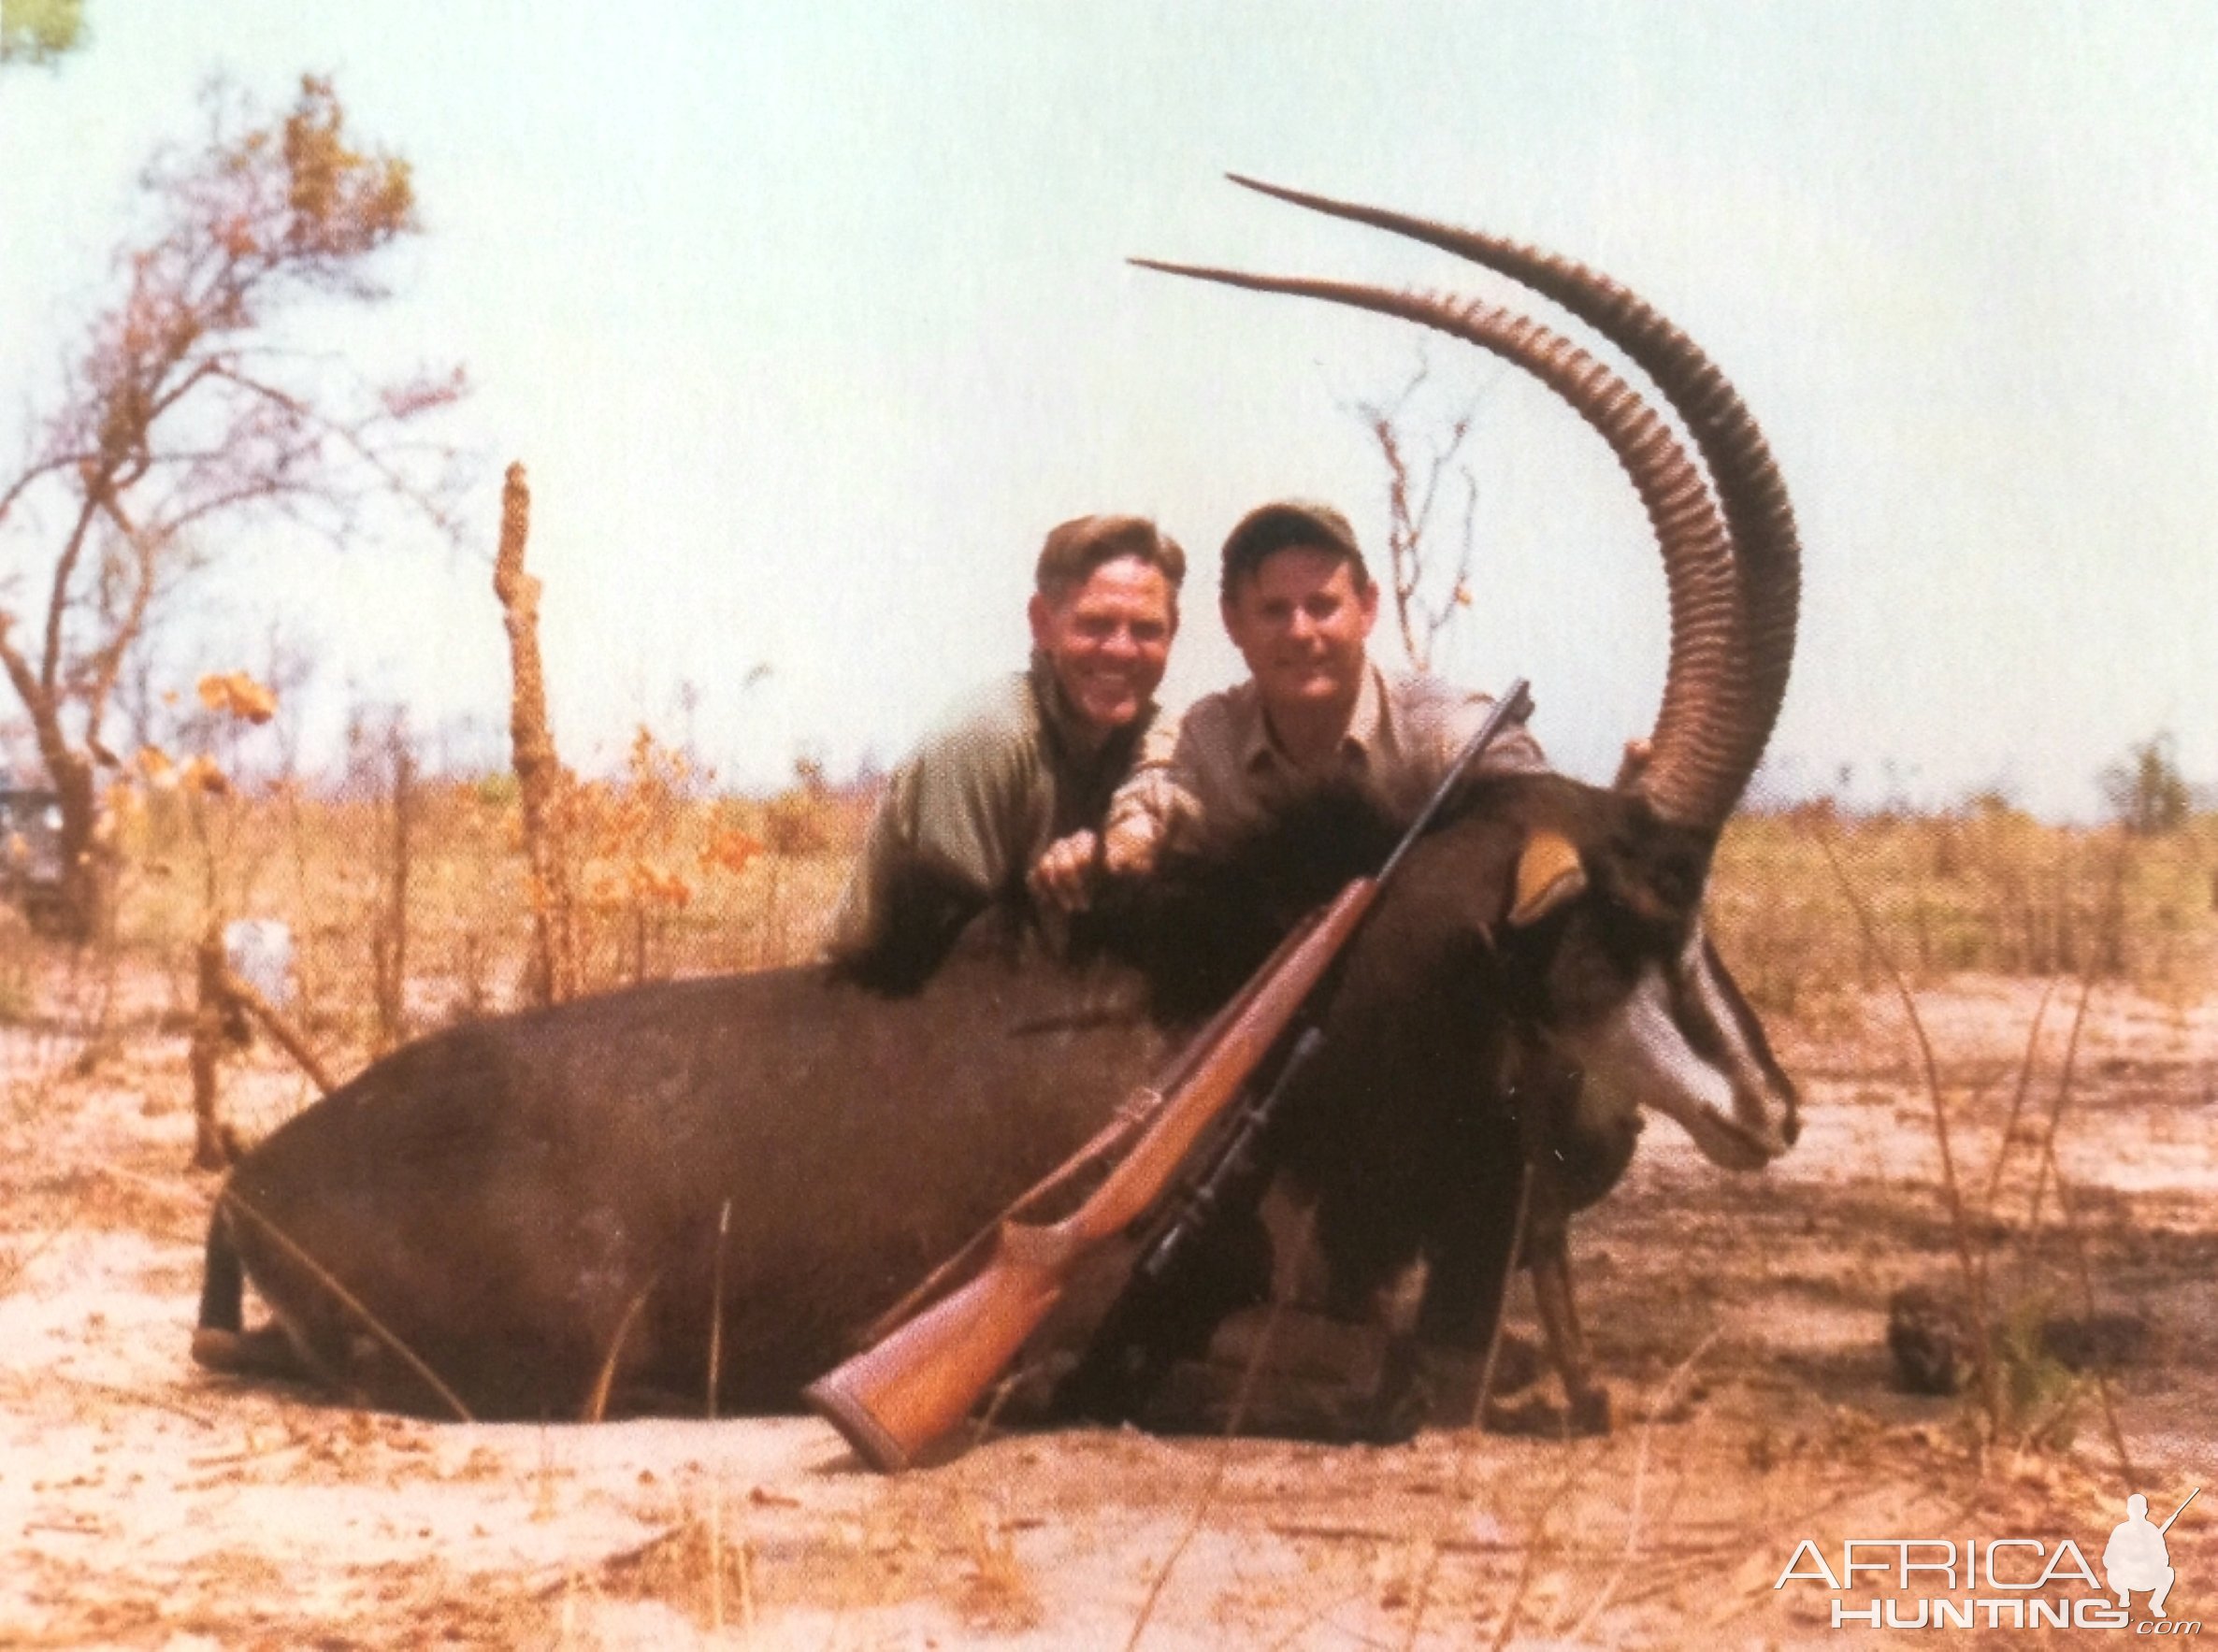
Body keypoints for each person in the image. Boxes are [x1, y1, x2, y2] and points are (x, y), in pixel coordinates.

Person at [825, 513, 1185, 981]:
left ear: (1172, 634)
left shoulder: (1158, 739)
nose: (1121, 650)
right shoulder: (987, 739)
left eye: (1146, 630)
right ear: (1042, 624)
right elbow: (938, 965)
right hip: (883, 1011)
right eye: (1095, 624)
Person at [1100, 499, 1546, 874]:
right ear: (1232, 622)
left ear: (1367, 608)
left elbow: (1543, 805)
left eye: (1323, 606)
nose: (1299, 632)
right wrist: (1126, 841)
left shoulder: (1442, 724)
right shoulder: (1205, 734)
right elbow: (1145, 807)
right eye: (1274, 610)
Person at [2104, 1494, 2178, 1619]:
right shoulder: (2120, 1530)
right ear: (2128, 1510)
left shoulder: (2152, 1530)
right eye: (2133, 1509)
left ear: (2145, 1510)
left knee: (2168, 1573)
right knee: (2112, 1572)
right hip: (2125, 1577)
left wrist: (2149, 1559)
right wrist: (2127, 1560)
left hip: (2147, 1578)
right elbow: (2108, 1559)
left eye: (2140, 1509)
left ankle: (2156, 1604)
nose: (2136, 1512)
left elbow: (2164, 1559)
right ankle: (2123, 1594)